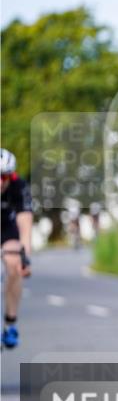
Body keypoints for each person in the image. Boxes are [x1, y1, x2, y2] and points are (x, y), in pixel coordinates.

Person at [1, 148, 33, 349]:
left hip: (7, 227)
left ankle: (10, 323)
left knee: (14, 262)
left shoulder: (19, 187)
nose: (1, 182)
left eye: (4, 177)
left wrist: (25, 258)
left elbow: (25, 225)